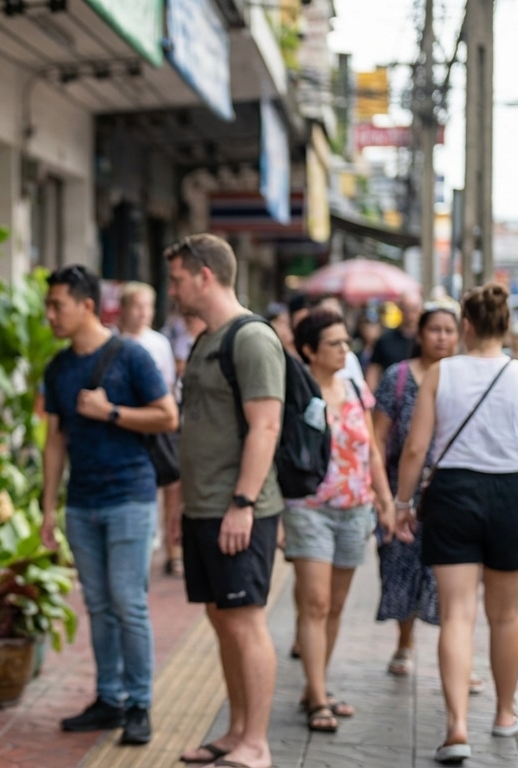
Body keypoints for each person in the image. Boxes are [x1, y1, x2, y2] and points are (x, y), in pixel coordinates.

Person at [393, 283, 518, 765]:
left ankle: (456, 727)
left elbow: (415, 448)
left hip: (453, 494)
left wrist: (401, 503)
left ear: (467, 325)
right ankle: (502, 713)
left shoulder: (440, 374)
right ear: (505, 325)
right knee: (505, 616)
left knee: (457, 614)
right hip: (510, 495)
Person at [39, 265, 178, 745]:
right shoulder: (57, 368)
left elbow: (167, 416)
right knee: (98, 604)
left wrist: (111, 412)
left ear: (88, 306)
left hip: (130, 496)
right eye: (48, 305)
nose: (50, 314)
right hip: (81, 504)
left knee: (128, 602)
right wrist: (46, 510)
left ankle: (139, 704)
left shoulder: (131, 356)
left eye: (58, 305)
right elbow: (54, 440)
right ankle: (109, 697)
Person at [168, 234, 283, 768]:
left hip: (238, 509)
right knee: (221, 619)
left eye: (177, 279)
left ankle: (256, 744)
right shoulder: (206, 339)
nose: (174, 290)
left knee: (244, 620)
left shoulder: (251, 338)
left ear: (204, 275)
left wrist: (243, 502)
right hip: (204, 507)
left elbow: (266, 426)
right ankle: (236, 730)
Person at [286, 308, 395, 733]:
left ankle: (317, 685)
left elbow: (371, 451)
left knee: (334, 606)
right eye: (335, 343)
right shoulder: (296, 393)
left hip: (355, 510)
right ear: (310, 350)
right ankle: (316, 699)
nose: (344, 350)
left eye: (345, 342)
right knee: (314, 603)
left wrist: (385, 501)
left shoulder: (353, 387)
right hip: (308, 509)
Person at [371, 306, 460, 679]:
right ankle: (404, 643)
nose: (441, 337)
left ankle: (458, 658)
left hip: (453, 491)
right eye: (434, 330)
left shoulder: (463, 377)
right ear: (419, 335)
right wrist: (382, 496)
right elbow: (376, 437)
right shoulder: (398, 376)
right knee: (400, 566)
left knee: (454, 576)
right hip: (399, 488)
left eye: (448, 330)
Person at [119, 282, 184, 577]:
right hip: (123, 428)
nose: (143, 313)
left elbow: (168, 387)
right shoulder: (112, 342)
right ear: (123, 309)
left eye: (148, 306)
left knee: (169, 481)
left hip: (157, 426)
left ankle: (171, 547)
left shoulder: (159, 343)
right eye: (137, 306)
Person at [365, 291, 423, 392]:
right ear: (400, 308)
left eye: (414, 309)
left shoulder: (426, 341)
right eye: (406, 308)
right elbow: (373, 371)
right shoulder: (385, 340)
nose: (410, 314)